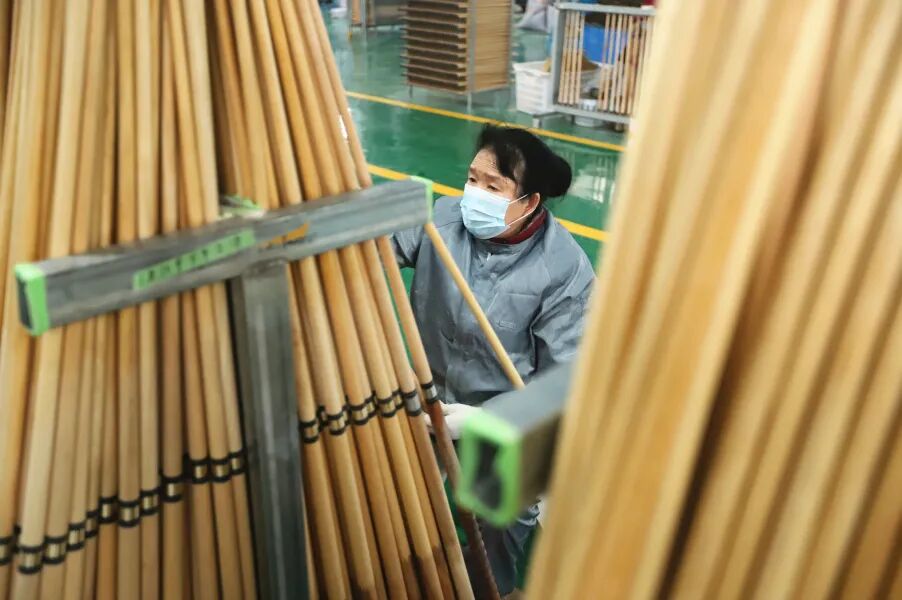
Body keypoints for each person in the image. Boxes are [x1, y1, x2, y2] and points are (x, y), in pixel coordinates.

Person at [392, 124, 595, 595]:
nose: (475, 194)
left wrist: (486, 420)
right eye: (472, 178)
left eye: (493, 186)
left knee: (500, 527)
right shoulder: (441, 220)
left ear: (529, 202)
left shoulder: (563, 268)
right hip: (426, 398)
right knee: (399, 504)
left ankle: (490, 587)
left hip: (506, 420)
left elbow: (566, 380)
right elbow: (375, 251)